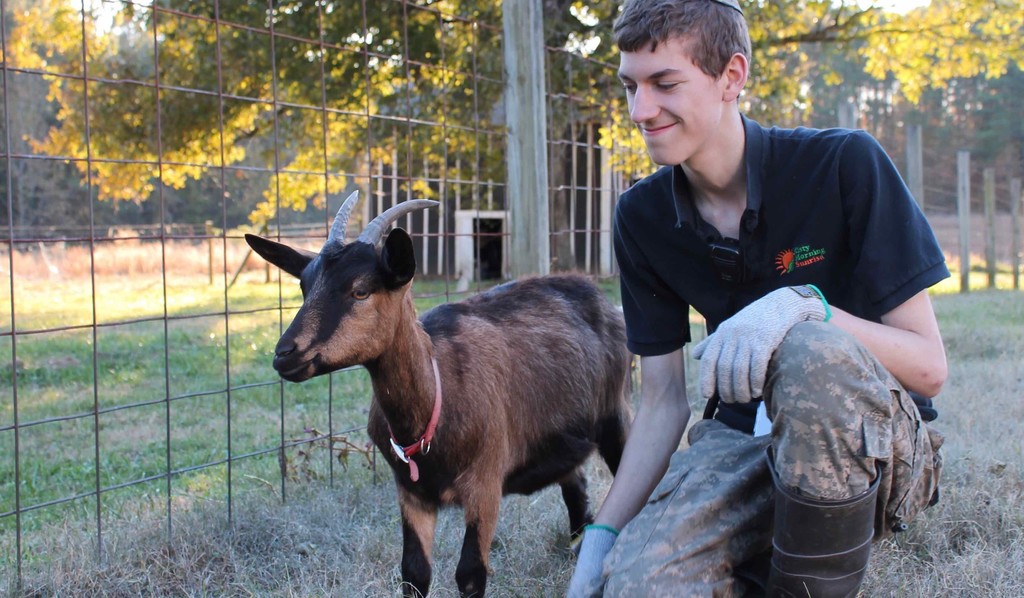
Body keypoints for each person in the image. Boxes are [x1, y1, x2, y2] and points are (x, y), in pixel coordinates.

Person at [566, 0, 948, 596]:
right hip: (745, 444)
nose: (640, 111)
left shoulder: (844, 163)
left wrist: (806, 305)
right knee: (641, 584)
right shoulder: (640, 216)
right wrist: (603, 535)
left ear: (732, 77)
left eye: (665, 84)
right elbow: (665, 402)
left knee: (808, 347)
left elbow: (929, 368)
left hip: (874, 445)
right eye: (630, 86)